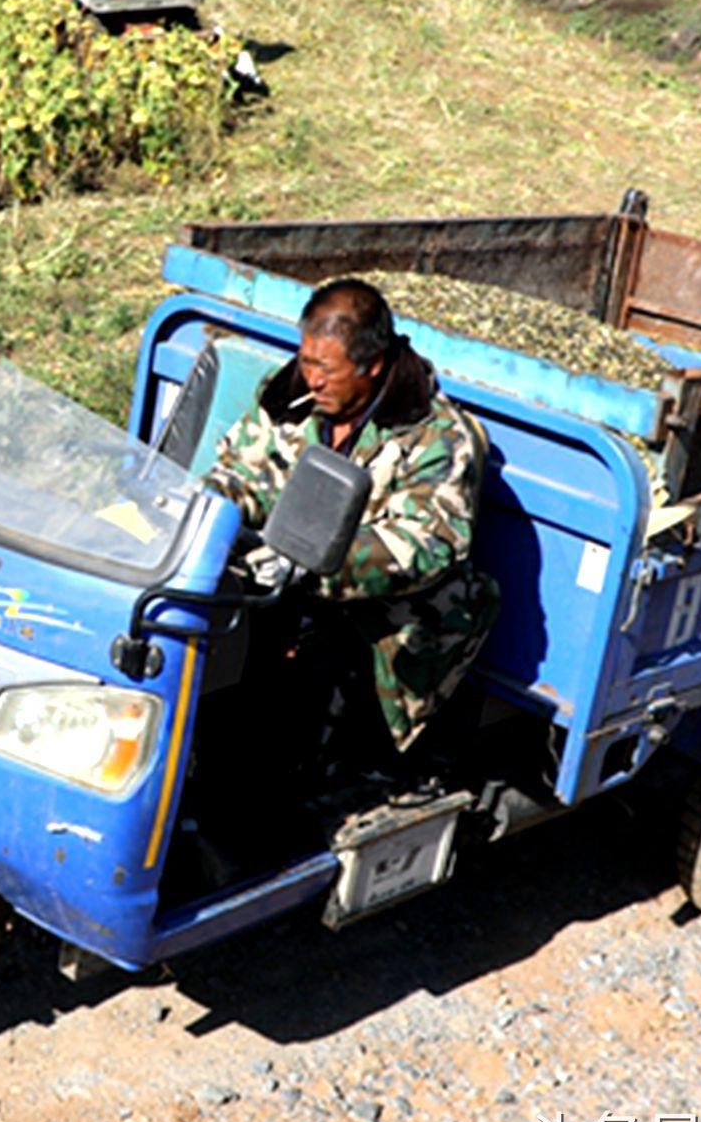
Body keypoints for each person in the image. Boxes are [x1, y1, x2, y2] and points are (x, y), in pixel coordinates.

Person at [204, 279, 500, 762]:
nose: (312, 380)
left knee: (298, 743)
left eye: (326, 370)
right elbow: (248, 470)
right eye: (306, 363)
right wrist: (210, 507)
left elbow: (424, 546)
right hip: (287, 594)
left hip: (382, 625)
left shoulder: (436, 436)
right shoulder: (295, 397)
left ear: (373, 367)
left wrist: (312, 562)